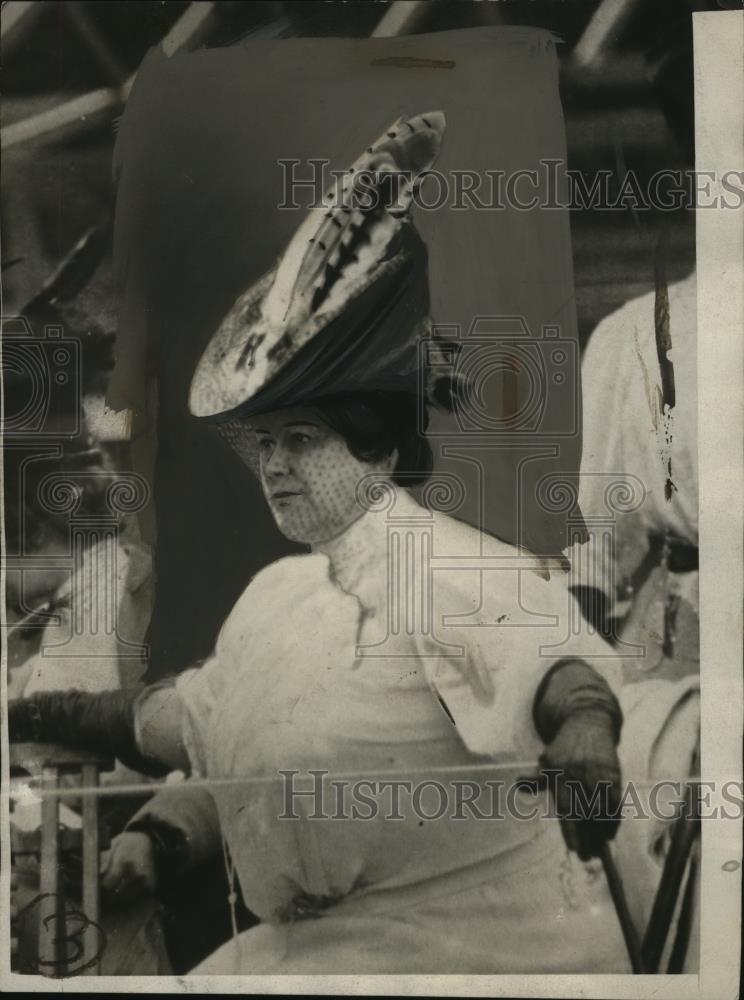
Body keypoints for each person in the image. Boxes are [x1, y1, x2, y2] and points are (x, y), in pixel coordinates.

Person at [11, 110, 634, 974]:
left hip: (485, 942)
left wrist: (586, 731)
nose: (274, 468)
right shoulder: (278, 597)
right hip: (329, 942)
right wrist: (46, 723)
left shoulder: (436, 563)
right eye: (265, 445)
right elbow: (183, 723)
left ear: (376, 444)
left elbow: (552, 662)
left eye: (301, 442)